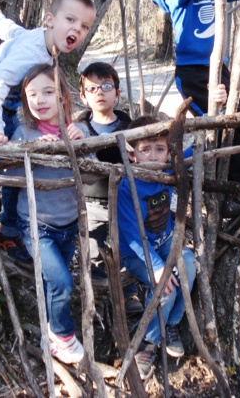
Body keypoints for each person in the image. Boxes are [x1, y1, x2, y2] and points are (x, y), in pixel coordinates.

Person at [0, 0, 96, 282]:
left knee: (15, 169)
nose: (76, 30)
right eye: (70, 20)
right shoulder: (33, 53)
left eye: (84, 27)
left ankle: (9, 230)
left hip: (2, 110)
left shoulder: (37, 38)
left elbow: (11, 31)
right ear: (50, 20)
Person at [128, 0, 240, 213]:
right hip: (194, 73)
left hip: (219, 66)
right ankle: (224, 193)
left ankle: (235, 187)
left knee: (234, 126)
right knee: (218, 127)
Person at [116, 114, 223, 380]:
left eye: (160, 149)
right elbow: (130, 235)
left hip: (165, 244)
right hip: (138, 253)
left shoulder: (166, 170)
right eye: (145, 149)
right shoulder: (126, 186)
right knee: (165, 287)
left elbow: (196, 148)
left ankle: (171, 324)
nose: (153, 155)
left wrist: (216, 113)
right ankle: (148, 343)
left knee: (187, 265)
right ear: (132, 155)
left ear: (168, 152)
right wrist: (157, 267)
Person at [10, 63, 90, 364]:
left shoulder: (77, 130)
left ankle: (49, 333)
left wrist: (82, 147)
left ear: (63, 98)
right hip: (36, 224)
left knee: (50, 282)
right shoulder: (23, 132)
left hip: (68, 224)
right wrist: (31, 150)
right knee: (62, 283)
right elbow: (9, 173)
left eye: (48, 92)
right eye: (32, 94)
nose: (40, 100)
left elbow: (94, 175)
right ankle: (63, 335)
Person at [76, 62, 142, 315]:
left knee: (126, 245)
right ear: (83, 96)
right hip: (92, 201)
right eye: (92, 88)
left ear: (117, 91)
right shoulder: (78, 130)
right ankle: (99, 297)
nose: (100, 92)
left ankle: (127, 294)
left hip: (125, 200)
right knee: (95, 250)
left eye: (106, 86)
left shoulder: (133, 128)